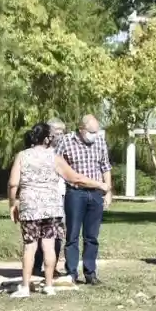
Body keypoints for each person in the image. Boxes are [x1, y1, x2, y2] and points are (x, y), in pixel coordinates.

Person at [8, 122, 107, 298]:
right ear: (47, 139)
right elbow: (75, 178)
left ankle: (25, 286)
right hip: (51, 209)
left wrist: (12, 204)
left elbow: (13, 183)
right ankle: (48, 285)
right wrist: (99, 184)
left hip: (30, 207)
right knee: (48, 246)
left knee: (29, 246)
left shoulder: (22, 156)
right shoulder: (54, 157)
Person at [56, 114, 113, 285]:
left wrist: (108, 191)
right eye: (91, 132)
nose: (94, 135)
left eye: (96, 132)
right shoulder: (66, 141)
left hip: (96, 193)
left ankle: (90, 273)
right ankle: (71, 272)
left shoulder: (100, 142)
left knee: (92, 236)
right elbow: (55, 163)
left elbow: (105, 167)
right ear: (81, 129)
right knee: (72, 234)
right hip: (75, 192)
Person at [32, 118, 67, 279]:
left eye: (62, 132)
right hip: (39, 196)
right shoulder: (36, 150)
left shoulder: (65, 149)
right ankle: (35, 266)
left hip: (59, 195)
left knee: (57, 233)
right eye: (56, 132)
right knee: (38, 233)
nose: (59, 136)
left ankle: (51, 268)